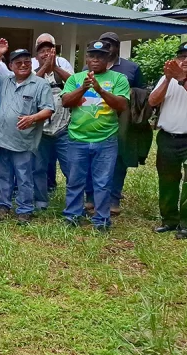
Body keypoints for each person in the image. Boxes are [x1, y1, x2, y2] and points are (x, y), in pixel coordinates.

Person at [0, 41, 54, 225]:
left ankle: (25, 209)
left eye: (27, 62)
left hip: (24, 140)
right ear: (11, 66)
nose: (23, 65)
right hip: (0, 138)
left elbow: (48, 110)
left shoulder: (40, 84)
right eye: (18, 62)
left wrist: (33, 118)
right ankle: (3, 205)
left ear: (31, 63)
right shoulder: (6, 80)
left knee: (24, 176)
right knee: (2, 175)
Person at [60, 40, 130, 231]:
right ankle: (72, 216)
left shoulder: (118, 79)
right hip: (77, 139)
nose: (95, 59)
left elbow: (122, 106)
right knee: (75, 181)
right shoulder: (76, 78)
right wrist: (83, 88)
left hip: (106, 139)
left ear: (108, 58)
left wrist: (99, 89)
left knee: (103, 182)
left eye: (100, 56)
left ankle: (101, 220)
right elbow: (66, 102)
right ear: (87, 58)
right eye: (92, 56)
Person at [84, 32, 145, 215]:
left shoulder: (130, 67)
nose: (108, 47)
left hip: (121, 119)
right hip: (94, 118)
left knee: (118, 159)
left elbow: (142, 92)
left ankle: (114, 198)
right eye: (104, 44)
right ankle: (91, 197)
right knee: (90, 158)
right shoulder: (92, 65)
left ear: (117, 47)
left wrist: (124, 92)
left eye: (111, 44)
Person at [148, 41, 187, 239]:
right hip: (167, 138)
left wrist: (183, 80)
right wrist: (168, 79)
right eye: (182, 56)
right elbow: (152, 101)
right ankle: (169, 220)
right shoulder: (167, 78)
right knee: (167, 181)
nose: (186, 60)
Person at [32, 39, 72, 211]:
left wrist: (54, 66)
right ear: (37, 56)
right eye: (42, 51)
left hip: (64, 128)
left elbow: (75, 83)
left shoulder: (62, 71)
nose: (46, 54)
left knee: (71, 168)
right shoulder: (33, 73)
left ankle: (74, 203)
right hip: (41, 131)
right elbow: (30, 86)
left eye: (49, 50)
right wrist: (44, 67)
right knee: (38, 168)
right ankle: (41, 202)